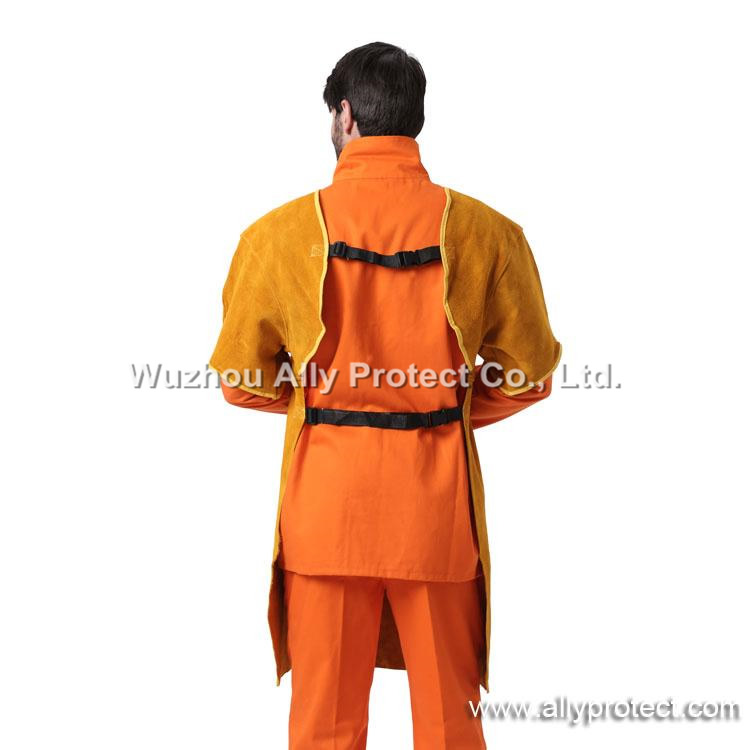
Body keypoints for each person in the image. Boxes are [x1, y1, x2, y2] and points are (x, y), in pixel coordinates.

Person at [210, 41, 561, 750]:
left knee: (325, 729)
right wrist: (442, 408)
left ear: (345, 115)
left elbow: (241, 380)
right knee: (450, 727)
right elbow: (528, 374)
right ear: (413, 117)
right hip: (436, 518)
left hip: (326, 515)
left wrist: (319, 403)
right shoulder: (489, 234)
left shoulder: (276, 236)